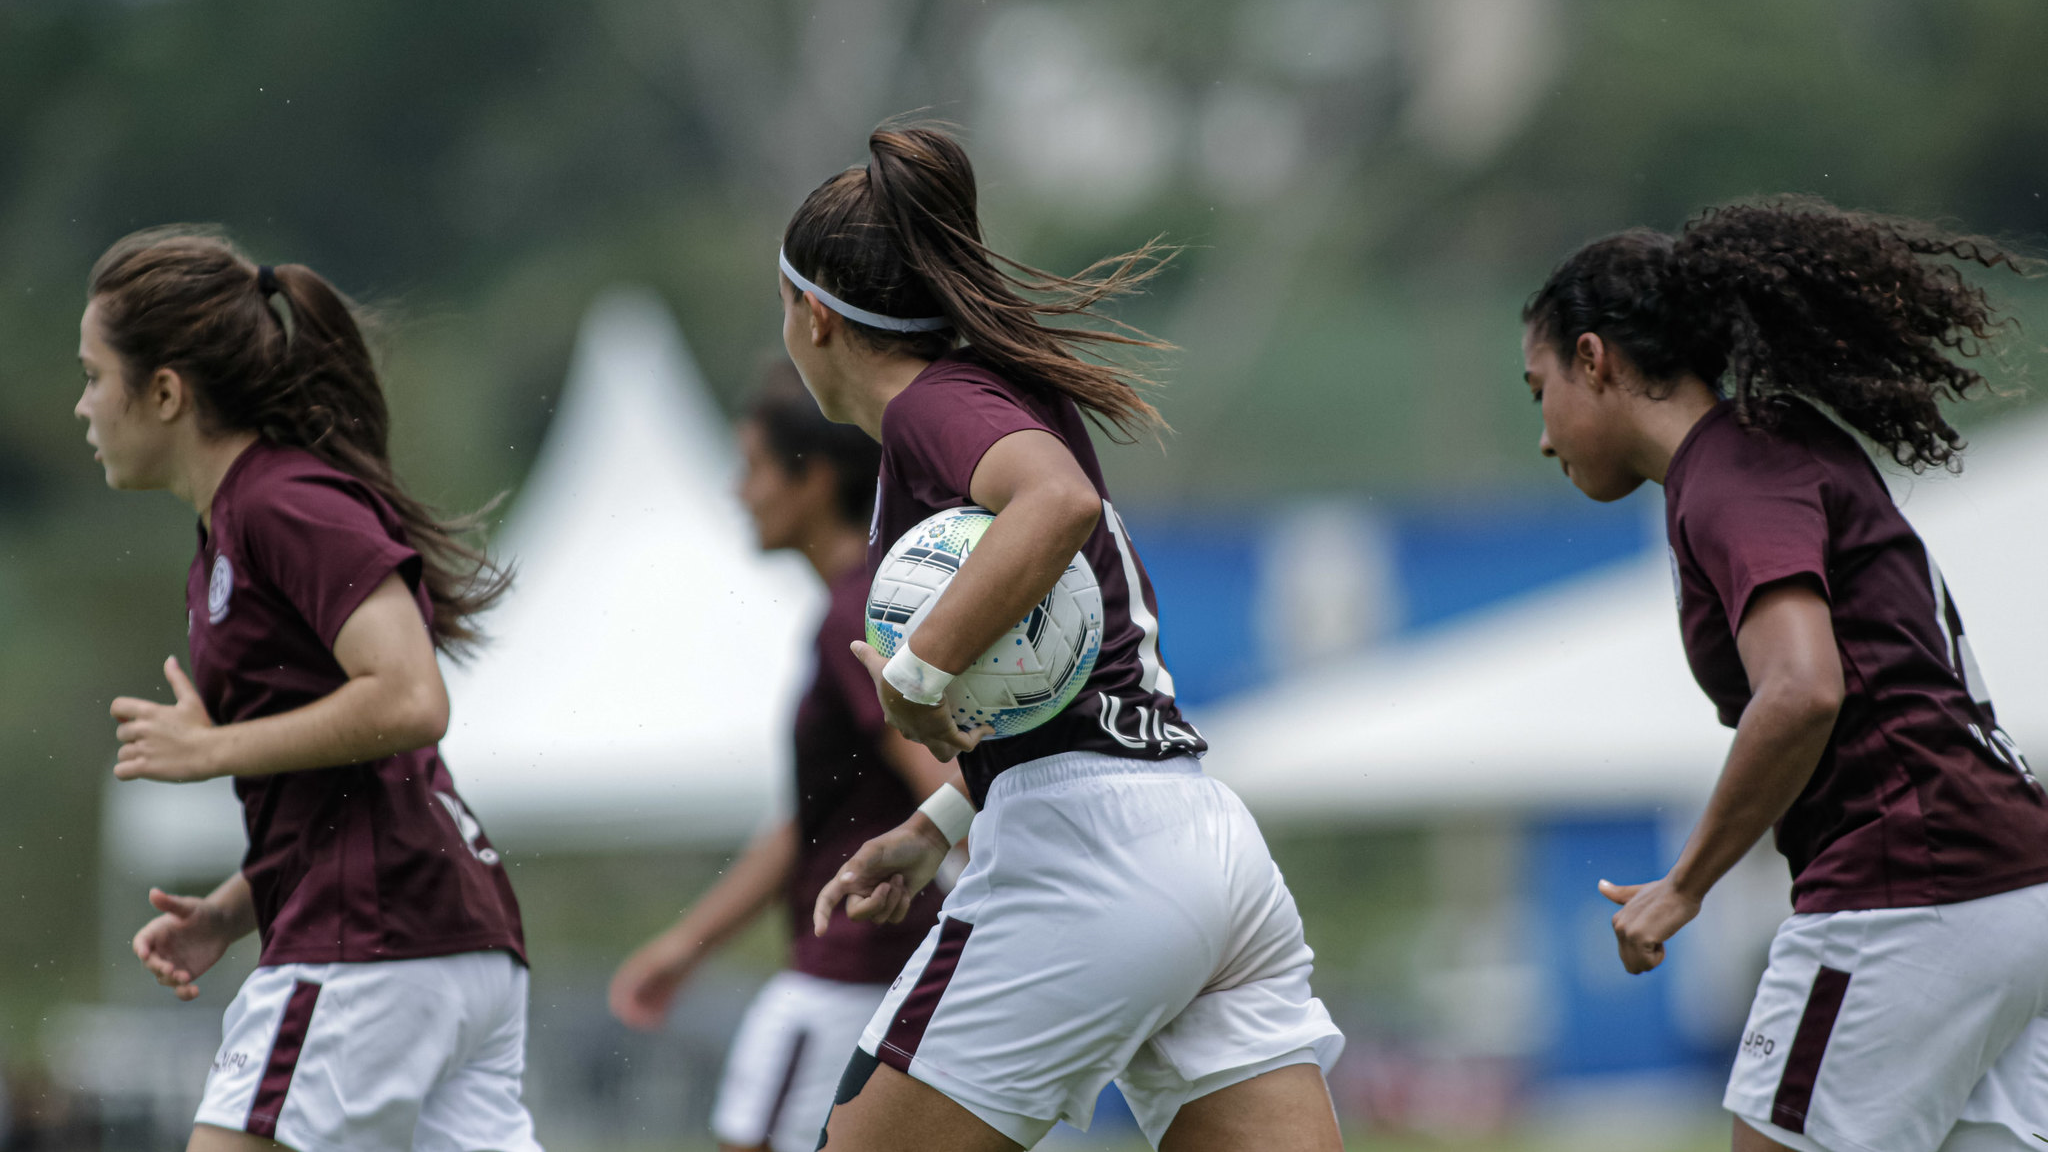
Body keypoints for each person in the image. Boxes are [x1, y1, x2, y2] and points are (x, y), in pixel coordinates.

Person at [780, 123, 1345, 1152]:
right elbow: (1074, 684)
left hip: (1081, 864)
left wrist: (914, 678)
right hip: (1201, 845)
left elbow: (1057, 503)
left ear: (811, 315)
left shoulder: (930, 411)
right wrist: (936, 825)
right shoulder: (986, 395)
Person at [1521, 201, 2048, 1152]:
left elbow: (1803, 689)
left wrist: (1685, 883)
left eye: (1539, 392)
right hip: (2013, 881)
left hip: (1909, 891)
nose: (1546, 438)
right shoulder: (1774, 438)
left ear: (1593, 359)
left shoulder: (1730, 476)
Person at [77, 227, 541, 1152]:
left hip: (371, 944)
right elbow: (348, 780)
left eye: (93, 375)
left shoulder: (278, 502)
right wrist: (236, 905)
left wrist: (211, 750)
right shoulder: (236, 526)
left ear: (165, 391)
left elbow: (410, 699)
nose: (83, 407)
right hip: (437, 935)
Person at [607, 365, 959, 1152]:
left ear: (814, 479)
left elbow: (943, 783)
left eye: (754, 467)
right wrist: (687, 944)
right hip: (886, 975)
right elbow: (809, 821)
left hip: (851, 975)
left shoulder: (854, 617)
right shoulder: (867, 604)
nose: (740, 492)